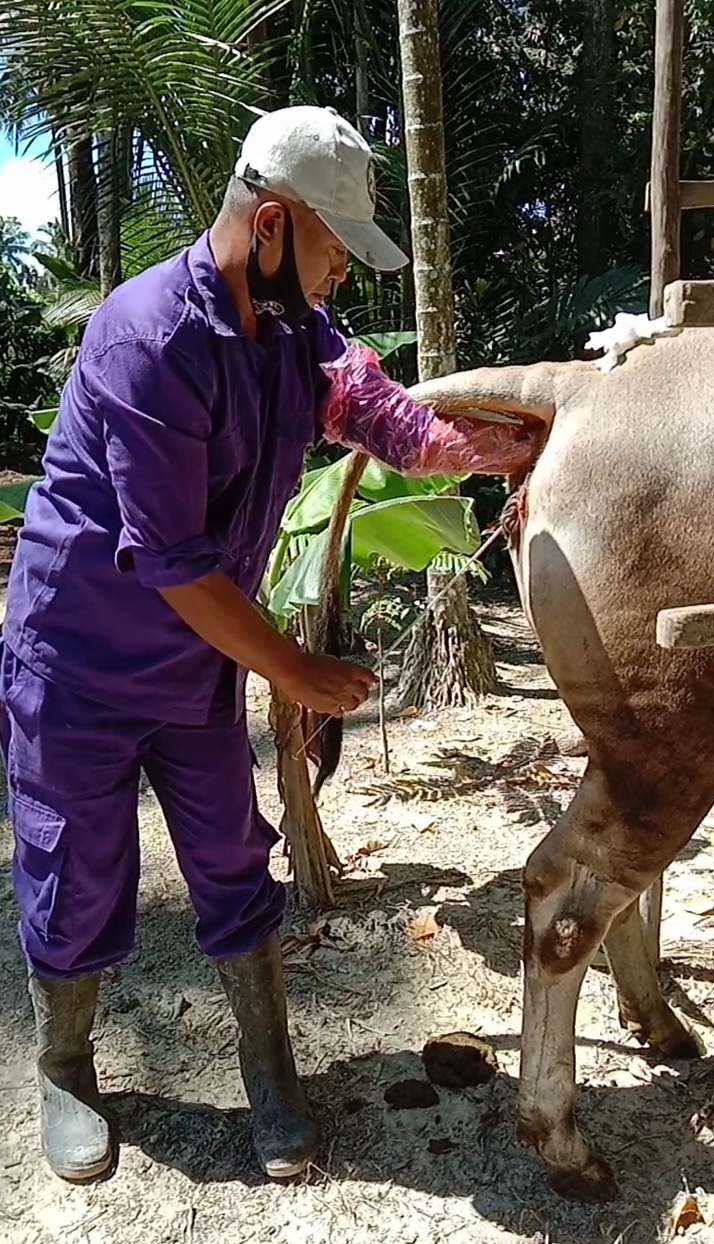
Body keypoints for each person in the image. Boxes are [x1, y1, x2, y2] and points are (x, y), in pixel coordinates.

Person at [0, 104, 495, 1187]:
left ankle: (269, 1070)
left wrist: (452, 440)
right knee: (75, 864)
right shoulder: (147, 338)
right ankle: (66, 1060)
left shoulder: (288, 329)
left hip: (190, 662)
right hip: (76, 658)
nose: (341, 279)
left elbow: (358, 394)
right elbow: (174, 561)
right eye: (331, 251)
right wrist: (298, 667)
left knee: (229, 851)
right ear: (270, 223)